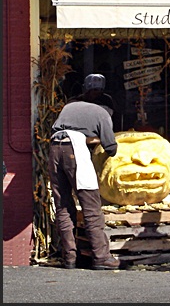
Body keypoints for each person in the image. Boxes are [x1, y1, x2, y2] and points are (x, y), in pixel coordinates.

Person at [49, 98, 120, 270]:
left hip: (54, 147)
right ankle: (101, 257)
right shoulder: (103, 115)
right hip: (74, 149)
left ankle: (69, 257)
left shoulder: (71, 107)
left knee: (63, 205)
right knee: (91, 205)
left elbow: (67, 130)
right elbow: (111, 147)